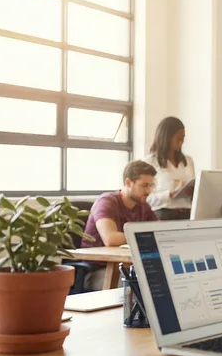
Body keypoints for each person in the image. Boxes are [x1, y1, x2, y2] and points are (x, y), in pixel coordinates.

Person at [82, 160, 159, 290]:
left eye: (151, 186)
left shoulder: (143, 206)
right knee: (139, 290)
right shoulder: (106, 202)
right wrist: (146, 236)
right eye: (144, 185)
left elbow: (159, 230)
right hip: (99, 271)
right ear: (128, 182)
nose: (149, 191)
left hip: (128, 268)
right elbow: (110, 239)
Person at [144, 117, 196, 220]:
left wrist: (192, 190)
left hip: (188, 214)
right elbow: (145, 198)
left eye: (183, 138)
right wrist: (169, 194)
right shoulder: (149, 162)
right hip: (163, 214)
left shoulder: (188, 161)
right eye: (178, 138)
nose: (181, 142)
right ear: (166, 137)